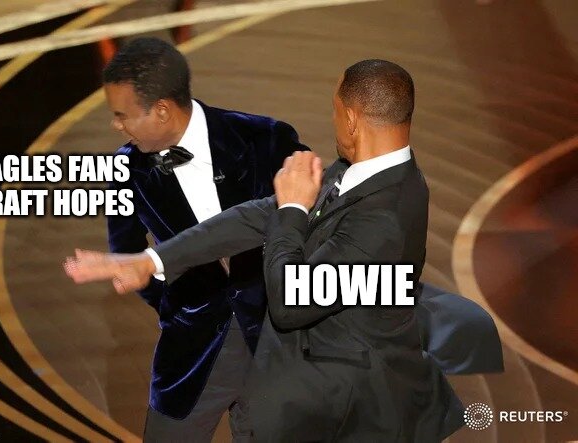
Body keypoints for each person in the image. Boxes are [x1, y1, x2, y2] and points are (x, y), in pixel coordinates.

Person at [66, 59, 474, 441]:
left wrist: (293, 209)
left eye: (335, 111)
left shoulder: (384, 219)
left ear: (351, 119)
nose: (333, 121)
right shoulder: (362, 172)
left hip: (355, 412)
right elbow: (257, 215)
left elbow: (290, 302)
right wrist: (152, 260)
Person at [100, 37, 309, 442]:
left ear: (162, 109)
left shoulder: (266, 138)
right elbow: (126, 254)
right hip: (192, 353)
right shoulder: (124, 169)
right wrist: (178, 305)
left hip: (279, 345)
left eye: (122, 115)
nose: (117, 125)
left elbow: (315, 221)